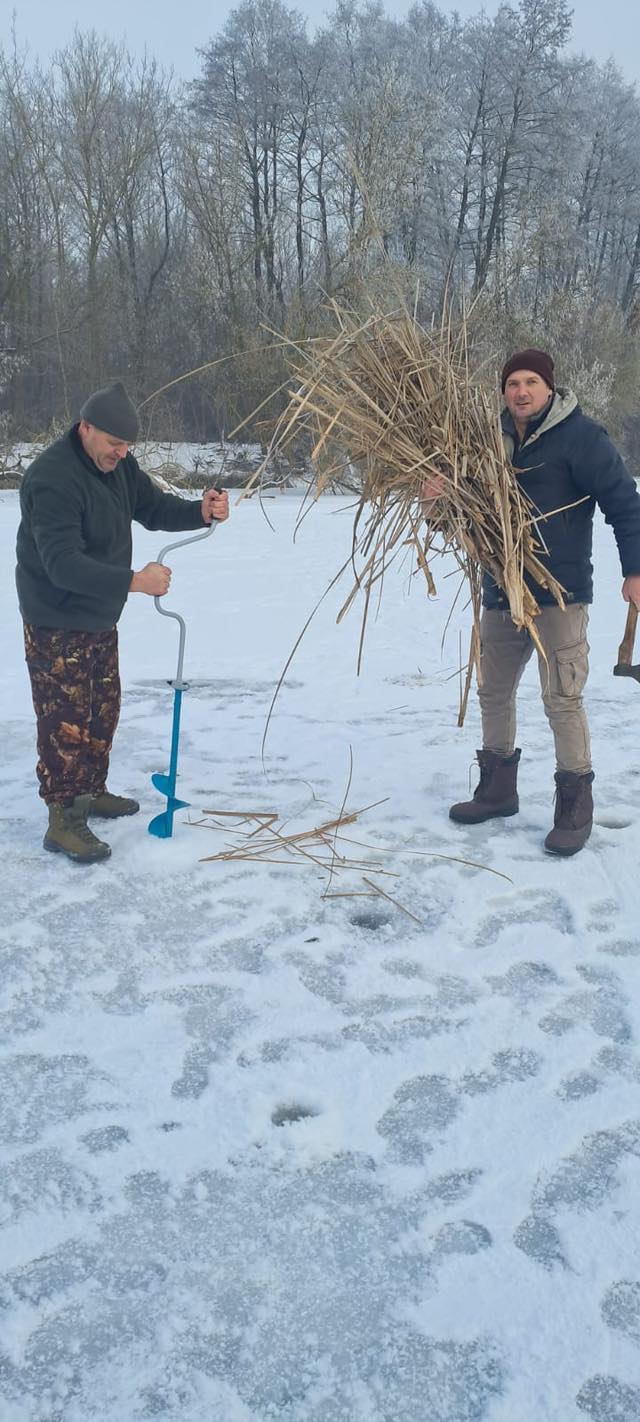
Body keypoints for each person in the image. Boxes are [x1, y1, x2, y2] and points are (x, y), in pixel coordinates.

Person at [436, 348, 640, 855]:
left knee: (561, 698)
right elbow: (456, 518)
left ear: (549, 388)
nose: (521, 391)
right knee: (493, 690)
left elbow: (623, 503)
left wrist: (635, 569)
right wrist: (433, 494)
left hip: (560, 592)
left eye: (530, 382)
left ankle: (574, 803)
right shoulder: (486, 441)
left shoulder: (582, 437)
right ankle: (497, 788)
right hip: (500, 588)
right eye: (512, 384)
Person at [16, 379, 229, 864]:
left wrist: (200, 511)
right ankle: (65, 821)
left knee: (101, 709)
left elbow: (152, 507)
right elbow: (61, 564)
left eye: (128, 445)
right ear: (85, 428)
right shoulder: (53, 478)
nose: (122, 453)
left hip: (97, 615)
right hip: (55, 618)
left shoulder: (119, 467)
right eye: (114, 443)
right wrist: (136, 581)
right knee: (65, 720)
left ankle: (91, 790)